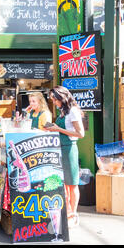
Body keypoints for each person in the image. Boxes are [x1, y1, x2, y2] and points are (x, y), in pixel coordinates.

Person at [44, 86, 84, 229]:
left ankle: (74, 214)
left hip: (69, 149)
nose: (53, 102)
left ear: (62, 97)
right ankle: (66, 212)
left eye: (54, 99)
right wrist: (53, 127)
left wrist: (58, 129)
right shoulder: (63, 111)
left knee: (72, 183)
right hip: (60, 148)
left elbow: (80, 134)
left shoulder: (73, 111)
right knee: (64, 183)